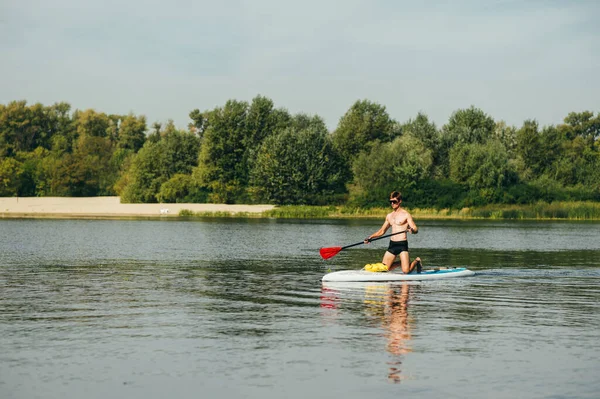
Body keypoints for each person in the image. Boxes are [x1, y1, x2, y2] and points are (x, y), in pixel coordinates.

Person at [364, 191, 421, 273]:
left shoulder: (406, 214)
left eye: (394, 201)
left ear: (400, 201)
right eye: (391, 202)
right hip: (392, 244)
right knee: (384, 269)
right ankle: (402, 263)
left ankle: (416, 261)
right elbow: (382, 231)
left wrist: (412, 229)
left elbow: (415, 229)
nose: (392, 204)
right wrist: (370, 237)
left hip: (402, 244)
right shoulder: (389, 216)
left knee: (406, 271)